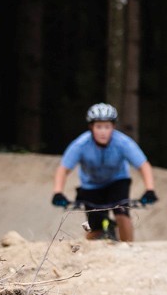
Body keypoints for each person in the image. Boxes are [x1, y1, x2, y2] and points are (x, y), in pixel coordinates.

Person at [52, 102, 157, 242]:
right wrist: (58, 192)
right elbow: (63, 169)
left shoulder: (123, 143)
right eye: (98, 126)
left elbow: (143, 165)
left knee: (122, 214)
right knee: (95, 229)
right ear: (91, 127)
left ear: (113, 127)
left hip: (117, 181)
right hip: (91, 186)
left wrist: (150, 189)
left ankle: (129, 250)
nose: (103, 131)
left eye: (107, 127)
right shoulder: (80, 145)